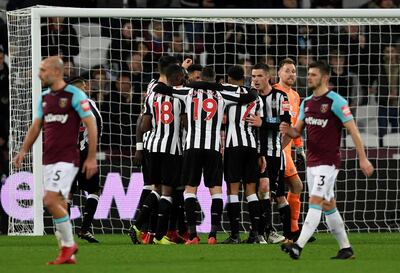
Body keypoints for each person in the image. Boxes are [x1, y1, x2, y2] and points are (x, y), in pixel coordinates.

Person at [280, 60, 374, 260]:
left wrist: (363, 159)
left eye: (313, 75)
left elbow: (354, 131)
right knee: (328, 205)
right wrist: (288, 131)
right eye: (309, 74)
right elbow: (297, 131)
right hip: (312, 163)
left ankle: (298, 245)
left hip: (328, 163)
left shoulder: (336, 102)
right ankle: (345, 248)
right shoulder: (307, 103)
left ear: (324, 78)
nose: (309, 77)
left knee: (315, 201)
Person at [153, 66, 258, 244]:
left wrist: (194, 83)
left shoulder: (189, 91)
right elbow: (249, 97)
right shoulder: (223, 94)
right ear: (215, 79)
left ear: (201, 78)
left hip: (192, 147)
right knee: (215, 190)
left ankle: (193, 235)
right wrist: (221, 88)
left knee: (190, 189)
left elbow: (160, 88)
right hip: (213, 148)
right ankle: (213, 235)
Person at [13, 56, 98, 264]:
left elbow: (91, 125)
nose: (39, 74)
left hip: (68, 158)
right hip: (49, 158)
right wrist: (24, 150)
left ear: (56, 72)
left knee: (50, 200)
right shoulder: (44, 97)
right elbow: (36, 127)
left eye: (43, 70)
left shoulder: (75, 95)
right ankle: (67, 252)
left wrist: (92, 156)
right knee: (57, 202)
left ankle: (69, 245)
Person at [246, 63, 291, 243]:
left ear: (268, 77)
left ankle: (279, 233)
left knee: (274, 193)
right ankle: (261, 231)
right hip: (253, 152)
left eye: (259, 76)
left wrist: (262, 122)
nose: (255, 80)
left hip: (274, 153)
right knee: (259, 189)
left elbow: (285, 125)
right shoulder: (249, 97)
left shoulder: (281, 97)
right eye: (253, 76)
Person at [222, 65, 264, 244]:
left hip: (233, 146)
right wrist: (261, 153)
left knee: (233, 191)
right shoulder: (257, 99)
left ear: (230, 78)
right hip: (252, 146)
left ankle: (235, 234)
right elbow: (259, 125)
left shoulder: (225, 93)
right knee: (251, 191)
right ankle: (255, 234)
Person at [273, 58, 309, 242]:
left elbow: (296, 125)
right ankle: (291, 230)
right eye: (287, 70)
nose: (291, 74)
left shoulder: (295, 96)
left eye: (293, 71)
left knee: (293, 187)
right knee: (288, 188)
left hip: (286, 150)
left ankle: (292, 229)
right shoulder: (274, 93)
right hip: (274, 149)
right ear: (278, 73)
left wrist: (300, 148)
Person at [69, 77, 103, 243]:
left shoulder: (63, 105)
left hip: (66, 154)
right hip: (84, 153)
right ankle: (84, 229)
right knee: (94, 190)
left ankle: (65, 232)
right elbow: (97, 123)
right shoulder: (87, 103)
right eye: (84, 85)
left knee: (68, 192)